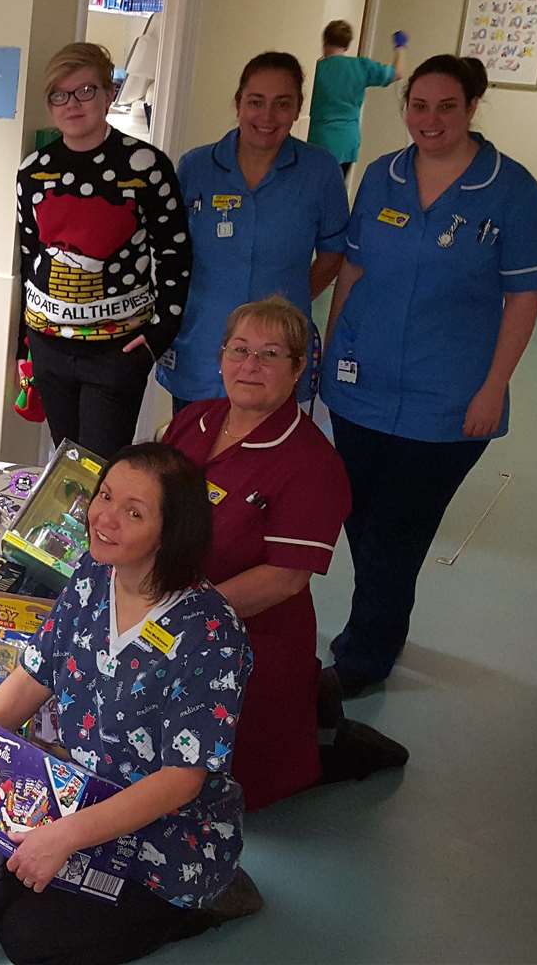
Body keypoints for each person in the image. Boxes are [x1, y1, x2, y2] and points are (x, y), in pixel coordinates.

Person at [0, 443, 255, 965]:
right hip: (80, 798)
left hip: (171, 834)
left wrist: (63, 837)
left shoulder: (210, 633)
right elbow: (34, 673)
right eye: (105, 496)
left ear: (170, 531)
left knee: (30, 943)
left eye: (134, 512)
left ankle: (205, 903)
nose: (105, 518)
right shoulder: (91, 575)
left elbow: (182, 778)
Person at [322, 55, 537, 696]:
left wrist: (493, 386)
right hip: (360, 383)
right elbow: (353, 270)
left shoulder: (512, 191)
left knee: (400, 530)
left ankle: (363, 657)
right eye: (418, 106)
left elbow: (525, 300)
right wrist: (328, 354)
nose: (430, 120)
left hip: (449, 398)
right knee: (361, 521)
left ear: (473, 107)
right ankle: (378, 630)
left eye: (446, 106)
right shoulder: (382, 176)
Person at [161, 296, 406, 810]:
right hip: (164, 605)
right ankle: (315, 707)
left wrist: (177, 616)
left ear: (299, 370)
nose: (250, 365)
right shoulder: (194, 421)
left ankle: (326, 742)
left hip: (248, 637)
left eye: (271, 354)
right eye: (239, 349)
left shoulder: (312, 464)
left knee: (223, 788)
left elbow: (285, 579)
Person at [16, 42, 190, 458]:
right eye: (60, 94)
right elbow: (28, 257)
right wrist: (26, 344)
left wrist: (157, 336)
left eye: (86, 90)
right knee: (65, 460)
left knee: (99, 467)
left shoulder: (146, 166)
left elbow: (174, 255)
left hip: (116, 352)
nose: (72, 104)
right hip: (50, 347)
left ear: (109, 94)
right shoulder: (33, 171)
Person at [155, 52, 348, 410]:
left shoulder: (319, 171)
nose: (267, 116)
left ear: (297, 109)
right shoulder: (196, 167)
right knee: (193, 458)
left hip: (277, 350)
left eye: (282, 104)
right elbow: (171, 252)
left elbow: (334, 254)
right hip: (202, 344)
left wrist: (288, 301)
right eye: (256, 102)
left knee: (266, 460)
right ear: (238, 103)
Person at [307, 20, 407, 177]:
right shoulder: (360, 67)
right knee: (336, 191)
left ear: (324, 41)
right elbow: (397, 73)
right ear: (347, 46)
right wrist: (400, 47)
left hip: (318, 139)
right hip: (347, 142)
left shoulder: (316, 69)